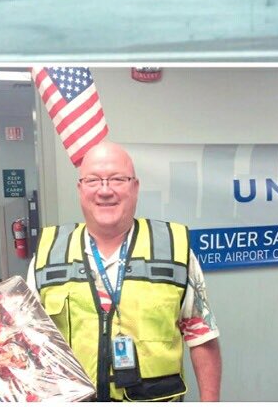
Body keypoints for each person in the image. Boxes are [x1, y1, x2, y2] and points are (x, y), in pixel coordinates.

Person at [25, 141, 221, 402]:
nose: (105, 191)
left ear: (135, 187)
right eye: (93, 180)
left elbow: (202, 337)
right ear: (80, 188)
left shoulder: (174, 250)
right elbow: (24, 343)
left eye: (117, 179)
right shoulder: (48, 254)